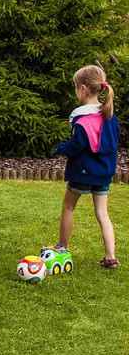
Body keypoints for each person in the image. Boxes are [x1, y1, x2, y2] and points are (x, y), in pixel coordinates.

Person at [54, 65, 119, 269]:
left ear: (83, 89)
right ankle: (110, 257)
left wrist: (60, 148)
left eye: (75, 87)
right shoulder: (109, 115)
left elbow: (76, 145)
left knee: (68, 207)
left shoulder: (81, 118)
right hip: (103, 173)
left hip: (82, 172)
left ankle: (62, 248)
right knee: (103, 213)